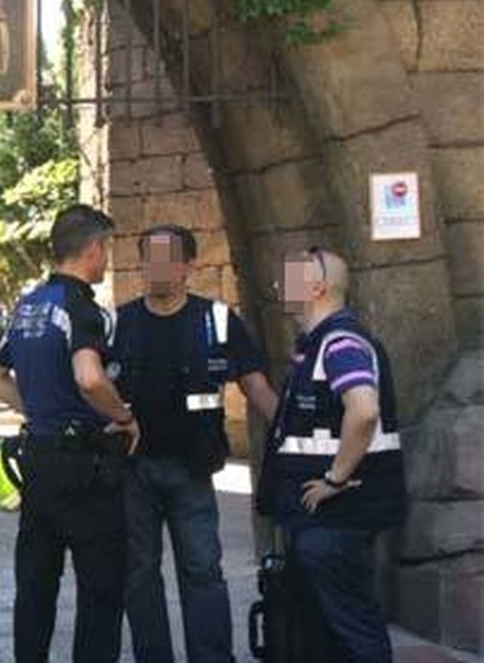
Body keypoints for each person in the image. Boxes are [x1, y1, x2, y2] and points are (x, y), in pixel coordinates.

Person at [0, 204, 140, 663]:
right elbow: (90, 377)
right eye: (106, 248)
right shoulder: (79, 307)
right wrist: (124, 417)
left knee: (35, 584)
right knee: (100, 586)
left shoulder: (29, 305)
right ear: (93, 249)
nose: (106, 259)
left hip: (40, 459)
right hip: (83, 466)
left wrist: (40, 410)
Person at [113, 225, 280, 663]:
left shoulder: (218, 319)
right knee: (139, 574)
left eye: (169, 258)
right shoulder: (121, 323)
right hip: (134, 472)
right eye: (151, 257)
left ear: (189, 265)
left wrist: (289, 433)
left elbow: (256, 387)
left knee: (202, 571)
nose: (159, 267)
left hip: (193, 469)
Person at [259, 247, 405, 663]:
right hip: (325, 522)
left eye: (288, 277)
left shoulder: (340, 344)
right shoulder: (319, 345)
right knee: (330, 631)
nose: (276, 285)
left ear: (316, 287)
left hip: (338, 519)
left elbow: (364, 410)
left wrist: (335, 480)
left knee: (352, 628)